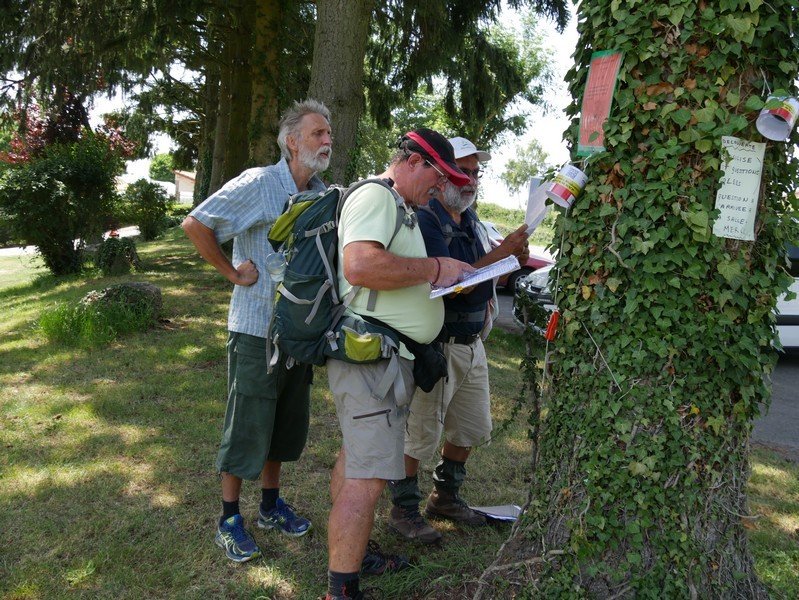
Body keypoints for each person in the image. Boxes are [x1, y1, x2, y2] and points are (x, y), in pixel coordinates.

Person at [324, 129, 474, 600]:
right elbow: (361, 266)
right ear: (411, 161)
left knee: (355, 463)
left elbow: (390, 275)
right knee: (367, 478)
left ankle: (356, 553)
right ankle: (342, 589)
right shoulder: (376, 196)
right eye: (438, 175)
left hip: (386, 360)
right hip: (374, 361)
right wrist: (434, 269)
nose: (441, 187)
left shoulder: (402, 206)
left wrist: (445, 277)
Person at [181, 99, 332, 563]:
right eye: (317, 134)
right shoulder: (259, 183)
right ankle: (229, 518)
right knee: (247, 423)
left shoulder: (323, 193)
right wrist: (231, 272)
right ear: (291, 142)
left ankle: (270, 506)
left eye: (329, 134)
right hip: (255, 330)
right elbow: (197, 223)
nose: (327, 141)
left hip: (297, 332)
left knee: (284, 424)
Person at [388, 136, 531, 544]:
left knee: (469, 428)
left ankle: (445, 497)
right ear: (443, 174)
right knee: (420, 434)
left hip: (472, 343)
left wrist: (508, 263)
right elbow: (452, 282)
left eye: (475, 174)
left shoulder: (470, 221)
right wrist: (500, 254)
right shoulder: (427, 219)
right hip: (438, 343)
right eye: (462, 172)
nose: (470, 181)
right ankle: (403, 509)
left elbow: (483, 277)